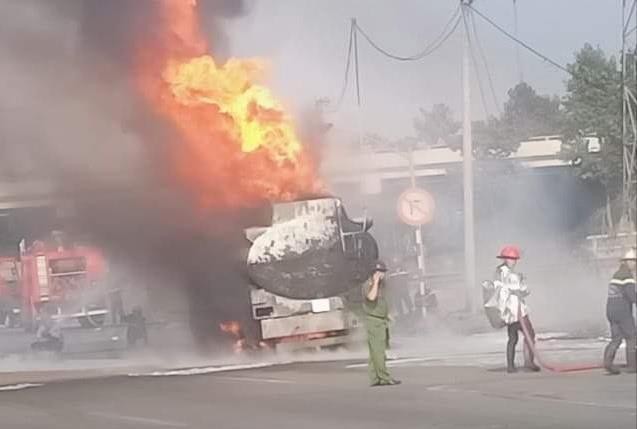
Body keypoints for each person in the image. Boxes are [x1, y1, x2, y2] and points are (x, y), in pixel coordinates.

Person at [494, 245, 541, 373]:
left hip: (512, 312)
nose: (514, 261)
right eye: (511, 259)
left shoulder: (502, 273)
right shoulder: (507, 274)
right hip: (516, 311)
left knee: (514, 338)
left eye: (514, 259)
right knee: (528, 334)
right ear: (505, 259)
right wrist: (522, 286)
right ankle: (528, 362)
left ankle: (513, 365)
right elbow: (523, 289)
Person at [362, 260, 401, 386]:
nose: (383, 275)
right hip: (374, 321)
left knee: (375, 351)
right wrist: (376, 282)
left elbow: (382, 302)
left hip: (381, 319)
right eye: (381, 272)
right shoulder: (369, 284)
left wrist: (388, 315)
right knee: (379, 351)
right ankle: (384, 377)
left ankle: (375, 378)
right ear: (374, 273)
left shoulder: (382, 286)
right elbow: (371, 297)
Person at [603, 248, 636, 375]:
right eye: (633, 261)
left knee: (616, 338)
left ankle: (608, 362)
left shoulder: (617, 274)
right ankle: (633, 366)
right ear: (628, 262)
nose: (635, 264)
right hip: (622, 311)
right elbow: (632, 296)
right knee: (632, 336)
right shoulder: (627, 276)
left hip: (611, 310)